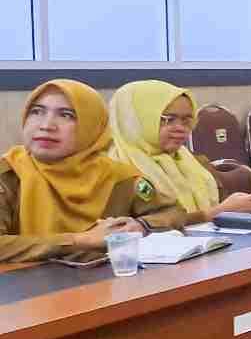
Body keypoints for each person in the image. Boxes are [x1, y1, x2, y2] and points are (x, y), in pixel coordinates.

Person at [0, 79, 185, 262]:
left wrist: (141, 225)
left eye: (66, 115)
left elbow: (173, 212)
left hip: (103, 277)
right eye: (37, 112)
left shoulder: (119, 177)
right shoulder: (8, 174)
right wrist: (81, 240)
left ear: (92, 125)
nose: (46, 125)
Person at [108, 80, 251, 226]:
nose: (180, 128)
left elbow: (224, 206)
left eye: (186, 120)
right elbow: (126, 231)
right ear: (135, 120)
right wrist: (215, 213)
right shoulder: (116, 172)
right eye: (168, 120)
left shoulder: (194, 162)